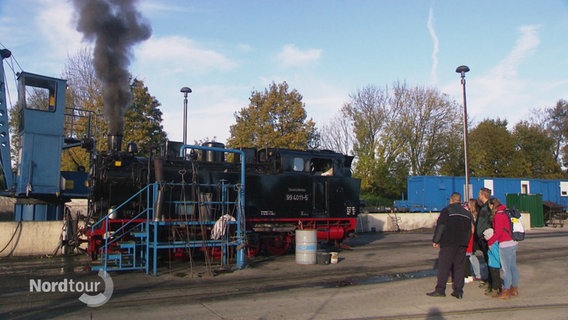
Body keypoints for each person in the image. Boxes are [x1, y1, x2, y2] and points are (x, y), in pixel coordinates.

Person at [426, 192, 474, 299]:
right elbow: (470, 230)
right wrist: (466, 241)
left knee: (444, 266)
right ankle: (458, 291)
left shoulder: (446, 211)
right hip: (462, 243)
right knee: (459, 267)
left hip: (448, 242)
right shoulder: (467, 213)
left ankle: (440, 289)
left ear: (451, 200)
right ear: (460, 200)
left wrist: (436, 240)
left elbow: (441, 226)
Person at [487, 197, 519, 299]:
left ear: (492, 205)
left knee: (506, 269)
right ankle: (514, 289)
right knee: (513, 267)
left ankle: (506, 291)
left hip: (505, 244)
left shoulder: (499, 215)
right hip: (513, 242)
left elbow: (498, 232)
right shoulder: (506, 212)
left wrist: (490, 241)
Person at [475, 188, 500, 294]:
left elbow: (487, 222)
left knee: (491, 261)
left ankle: (493, 284)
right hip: (482, 237)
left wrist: (483, 234)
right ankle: (490, 281)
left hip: (486, 237)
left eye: (479, 193)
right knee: (488, 260)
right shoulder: (483, 207)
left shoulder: (487, 208)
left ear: (483, 194)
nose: (478, 195)